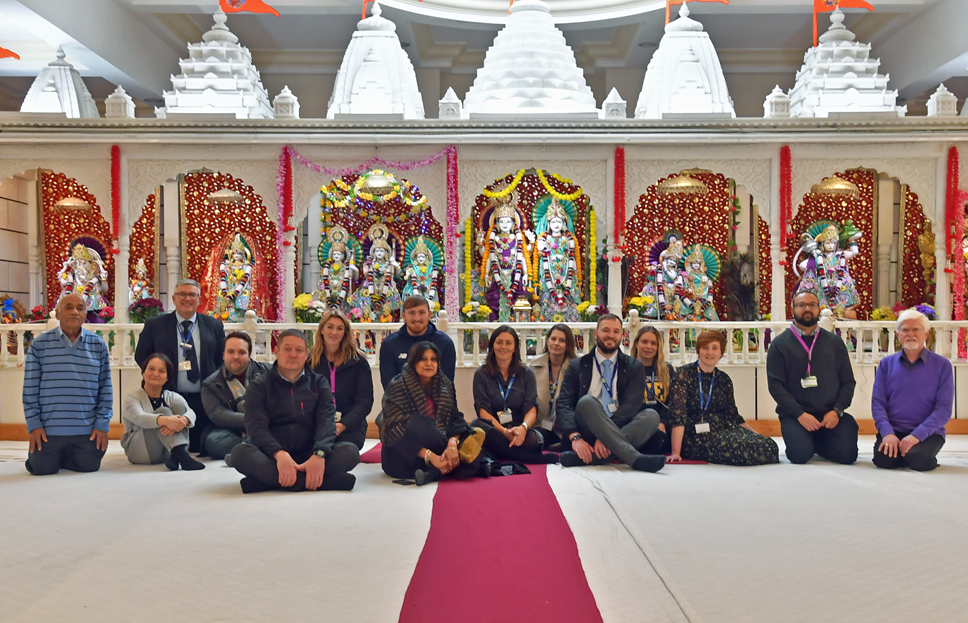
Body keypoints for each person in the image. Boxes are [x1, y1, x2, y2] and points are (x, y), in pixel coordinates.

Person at [230, 329, 360, 493]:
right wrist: (279, 454)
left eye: (299, 350)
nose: (293, 355)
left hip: (311, 452)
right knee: (239, 454)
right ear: (276, 352)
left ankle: (271, 482)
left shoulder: (319, 383)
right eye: (287, 349)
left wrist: (319, 454)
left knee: (350, 451)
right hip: (274, 456)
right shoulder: (259, 385)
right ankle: (321, 481)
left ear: (306, 354)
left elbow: (326, 423)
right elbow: (256, 428)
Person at [555, 314, 666, 472]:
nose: (611, 335)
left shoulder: (634, 366)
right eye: (606, 330)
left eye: (616, 331)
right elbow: (564, 404)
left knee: (651, 416)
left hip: (620, 427)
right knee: (587, 402)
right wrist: (575, 437)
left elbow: (631, 405)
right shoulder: (577, 365)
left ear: (622, 335)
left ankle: (592, 457)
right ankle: (635, 459)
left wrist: (606, 436)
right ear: (596, 333)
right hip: (586, 429)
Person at [22, 293, 112, 475]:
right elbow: (30, 389)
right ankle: (53, 455)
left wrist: (102, 425)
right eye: (68, 307)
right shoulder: (39, 345)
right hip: (49, 429)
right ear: (57, 313)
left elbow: (105, 389)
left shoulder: (98, 345)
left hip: (86, 429)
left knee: (89, 467)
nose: (74, 312)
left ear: (86, 313)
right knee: (41, 469)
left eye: (80, 308)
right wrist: (34, 425)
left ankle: (63, 455)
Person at [766, 290, 858, 464]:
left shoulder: (835, 343)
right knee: (799, 456)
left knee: (847, 456)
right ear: (793, 309)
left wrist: (837, 411)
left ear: (818, 309)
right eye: (801, 305)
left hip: (830, 415)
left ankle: (818, 441)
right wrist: (800, 414)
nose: (807, 309)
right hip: (797, 416)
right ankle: (808, 441)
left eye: (812, 305)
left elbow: (848, 382)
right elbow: (776, 386)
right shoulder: (779, 345)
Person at [135, 279, 225, 453]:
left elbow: (220, 359)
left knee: (201, 447)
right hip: (168, 396)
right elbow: (142, 356)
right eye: (182, 294)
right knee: (169, 447)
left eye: (192, 294)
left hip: (203, 398)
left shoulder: (214, 325)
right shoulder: (155, 325)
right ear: (174, 299)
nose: (187, 298)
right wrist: (157, 378)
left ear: (199, 299)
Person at [380, 342, 485, 486]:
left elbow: (455, 417)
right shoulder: (397, 386)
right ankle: (460, 464)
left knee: (476, 430)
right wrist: (431, 457)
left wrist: (452, 445)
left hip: (438, 448)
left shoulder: (445, 385)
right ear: (413, 362)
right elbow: (393, 432)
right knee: (420, 424)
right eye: (423, 359)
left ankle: (432, 473)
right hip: (405, 457)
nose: (429, 363)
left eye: (433, 359)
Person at [668, 331, 779, 465]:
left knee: (769, 445)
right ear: (698, 350)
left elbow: (733, 416)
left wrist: (758, 436)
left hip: (724, 429)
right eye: (705, 348)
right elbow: (678, 416)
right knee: (741, 449)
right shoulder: (683, 374)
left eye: (714, 348)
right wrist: (676, 452)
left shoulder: (724, 379)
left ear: (721, 352)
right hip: (696, 436)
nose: (710, 352)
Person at [870, 310, 952, 471]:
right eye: (905, 330)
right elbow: (878, 403)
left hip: (928, 432)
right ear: (898, 334)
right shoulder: (886, 364)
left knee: (918, 460)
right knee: (883, 461)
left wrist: (917, 436)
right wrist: (887, 433)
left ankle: (914, 454)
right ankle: (903, 452)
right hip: (894, 431)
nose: (910, 334)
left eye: (916, 329)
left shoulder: (942, 366)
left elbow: (944, 409)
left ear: (927, 333)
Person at [472, 325, 555, 463]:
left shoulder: (527, 373)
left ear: (515, 347)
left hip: (519, 429)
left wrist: (523, 428)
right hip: (495, 430)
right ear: (492, 346)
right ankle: (527, 458)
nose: (503, 347)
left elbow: (531, 408)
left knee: (536, 440)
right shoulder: (481, 374)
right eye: (499, 342)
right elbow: (482, 411)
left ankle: (501, 453)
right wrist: (504, 432)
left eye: (508, 343)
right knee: (477, 425)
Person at [121, 353, 205, 470]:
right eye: (151, 369)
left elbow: (191, 413)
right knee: (164, 411)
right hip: (142, 452)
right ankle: (182, 456)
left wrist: (184, 419)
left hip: (167, 452)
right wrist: (164, 420)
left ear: (167, 377)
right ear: (143, 373)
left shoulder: (172, 396)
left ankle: (177, 455)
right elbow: (140, 418)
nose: (156, 374)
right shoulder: (132, 398)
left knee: (179, 406)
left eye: (161, 371)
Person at [201, 331, 270, 462]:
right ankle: (261, 448)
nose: (236, 356)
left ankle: (245, 452)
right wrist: (256, 420)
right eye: (231, 352)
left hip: (271, 425)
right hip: (237, 430)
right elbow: (219, 415)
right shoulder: (211, 384)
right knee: (213, 442)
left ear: (250, 355)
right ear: (223, 355)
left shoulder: (269, 372)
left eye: (242, 352)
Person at [309, 311, 374, 450]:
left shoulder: (358, 361)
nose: (334, 332)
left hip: (349, 425)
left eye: (340, 328)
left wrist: (343, 425)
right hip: (317, 423)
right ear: (321, 330)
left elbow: (365, 401)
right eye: (330, 327)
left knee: (346, 451)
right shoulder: (310, 361)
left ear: (345, 333)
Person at [379, 294, 456, 390]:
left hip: (438, 403)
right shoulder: (389, 344)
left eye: (421, 312)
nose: (417, 318)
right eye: (412, 313)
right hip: (399, 402)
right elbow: (389, 386)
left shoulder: (445, 343)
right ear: (403, 316)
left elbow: (446, 386)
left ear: (429, 315)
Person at [630, 325, 676, 455]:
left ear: (658, 347)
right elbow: (626, 404)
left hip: (662, 426)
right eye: (644, 342)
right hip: (638, 423)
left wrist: (662, 421)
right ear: (637, 343)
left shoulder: (667, 370)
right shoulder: (627, 369)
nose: (648, 347)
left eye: (653, 343)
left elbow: (672, 401)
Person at [530, 323, 577, 448]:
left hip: (563, 429)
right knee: (528, 438)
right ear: (547, 341)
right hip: (537, 425)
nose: (556, 343)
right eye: (553, 339)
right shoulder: (534, 366)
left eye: (562, 340)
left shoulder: (576, 368)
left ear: (568, 345)